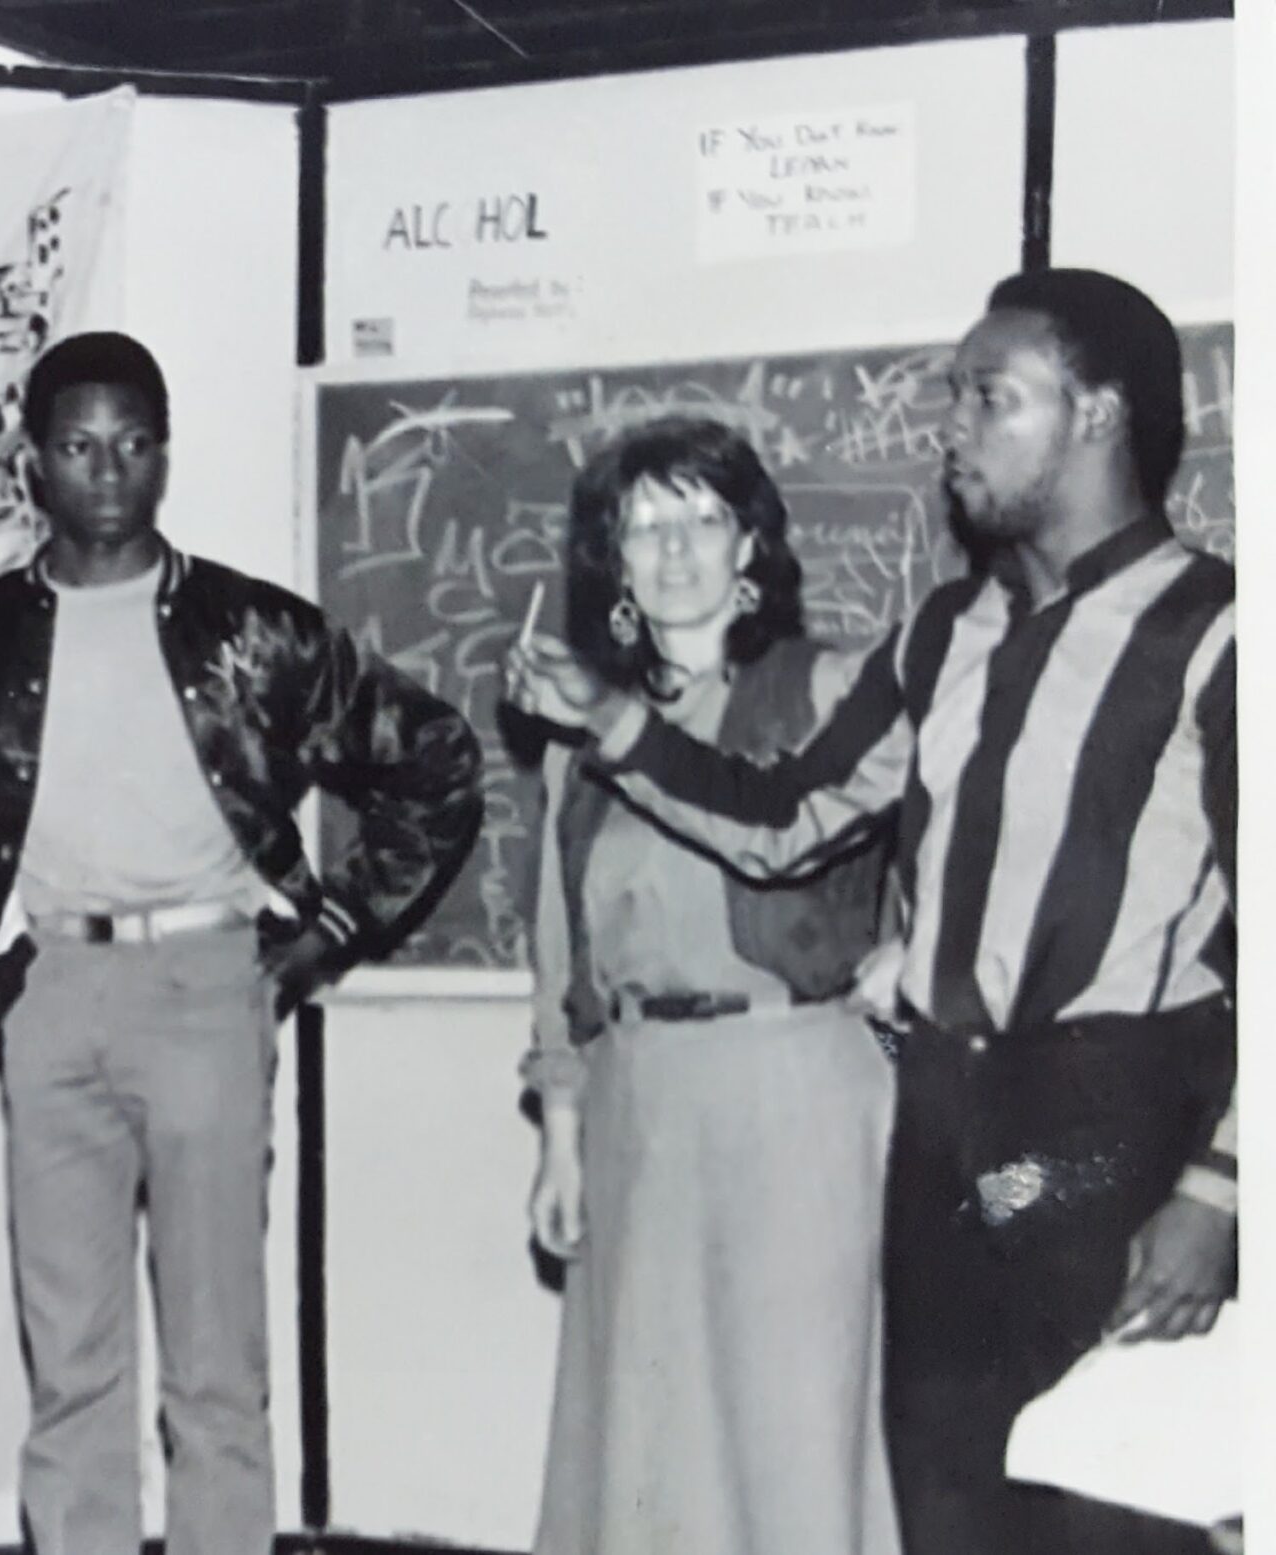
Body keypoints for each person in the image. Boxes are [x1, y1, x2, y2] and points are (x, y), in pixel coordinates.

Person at [505, 269, 1235, 1555]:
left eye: (988, 397)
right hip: (943, 1123)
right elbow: (782, 819)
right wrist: (614, 719)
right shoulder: (943, 634)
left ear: (1097, 413)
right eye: (954, 395)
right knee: (943, 1504)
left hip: (1114, 1117)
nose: (950, 426)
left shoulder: (1219, 632)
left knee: (1117, 1516)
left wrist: (1220, 1188)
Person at [0, 331, 485, 1555]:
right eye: (77, 446)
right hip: (51, 996)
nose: (106, 471)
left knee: (215, 1367)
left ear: (164, 454)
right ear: (32, 462)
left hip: (208, 988)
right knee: (72, 1366)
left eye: (132, 443)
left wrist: (332, 930)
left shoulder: (250, 630)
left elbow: (436, 760)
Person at [518, 417, 898, 1555]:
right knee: (650, 1438)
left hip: (797, 1098)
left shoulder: (830, 688)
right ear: (614, 565)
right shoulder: (575, 737)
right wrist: (562, 1138)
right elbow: (562, 956)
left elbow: (967, 828)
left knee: (792, 1423)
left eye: (701, 518)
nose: (673, 547)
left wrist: (919, 948)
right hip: (638, 1105)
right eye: (643, 526)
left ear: (749, 547)